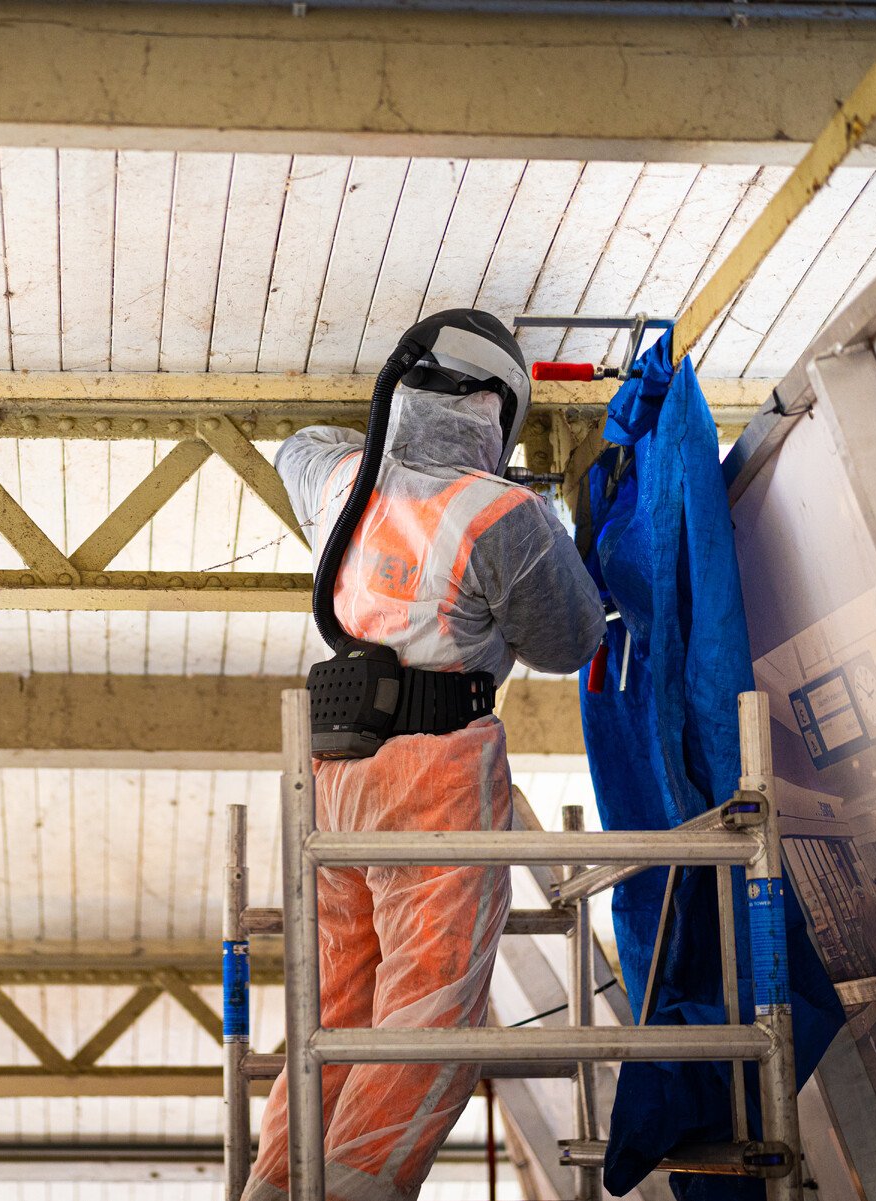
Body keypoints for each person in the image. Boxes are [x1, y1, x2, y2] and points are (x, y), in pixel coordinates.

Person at [244, 309, 605, 1201]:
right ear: (497, 408)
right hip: (435, 773)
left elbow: (298, 446)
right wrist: (545, 518)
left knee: (330, 1009)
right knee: (431, 1011)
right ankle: (357, 1188)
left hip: (334, 780)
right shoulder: (500, 514)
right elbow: (572, 639)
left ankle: (276, 1187)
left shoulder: (340, 484)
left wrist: (391, 441)